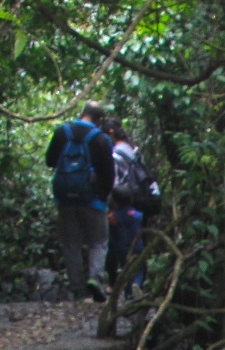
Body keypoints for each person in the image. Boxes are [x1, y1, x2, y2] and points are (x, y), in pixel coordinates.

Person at [45, 101, 116, 300]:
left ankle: (77, 289)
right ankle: (95, 279)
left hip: (65, 199)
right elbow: (109, 174)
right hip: (92, 199)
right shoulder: (101, 139)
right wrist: (104, 197)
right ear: (99, 119)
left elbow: (50, 160)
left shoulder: (62, 132)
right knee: (98, 242)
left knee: (70, 243)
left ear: (83, 114)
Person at [105, 120, 160, 292]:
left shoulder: (115, 153)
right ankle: (138, 281)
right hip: (139, 204)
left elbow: (114, 180)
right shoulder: (134, 150)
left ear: (111, 133)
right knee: (137, 243)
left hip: (120, 204)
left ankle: (115, 284)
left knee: (116, 245)